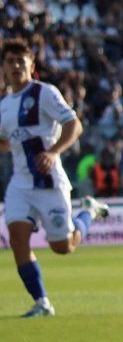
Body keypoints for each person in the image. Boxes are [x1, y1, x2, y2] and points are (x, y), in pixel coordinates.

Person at [0, 38, 109, 318]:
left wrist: (53, 151)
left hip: (49, 181)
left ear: (31, 65)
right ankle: (42, 302)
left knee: (63, 247)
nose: (15, 66)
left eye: (20, 61)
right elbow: (6, 142)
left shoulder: (44, 93)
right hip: (20, 184)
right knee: (17, 240)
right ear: (3, 69)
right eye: (10, 62)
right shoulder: (4, 105)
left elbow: (74, 125)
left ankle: (89, 211)